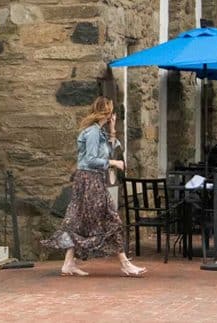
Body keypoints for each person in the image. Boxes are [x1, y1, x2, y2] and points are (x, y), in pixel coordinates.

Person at [42, 96, 147, 277]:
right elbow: (90, 160)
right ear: (106, 112)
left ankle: (68, 263)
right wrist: (113, 162)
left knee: (79, 219)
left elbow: (110, 148)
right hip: (90, 180)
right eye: (110, 111)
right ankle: (125, 263)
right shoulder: (92, 132)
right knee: (111, 218)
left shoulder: (100, 132)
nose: (112, 115)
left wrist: (113, 130)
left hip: (91, 180)